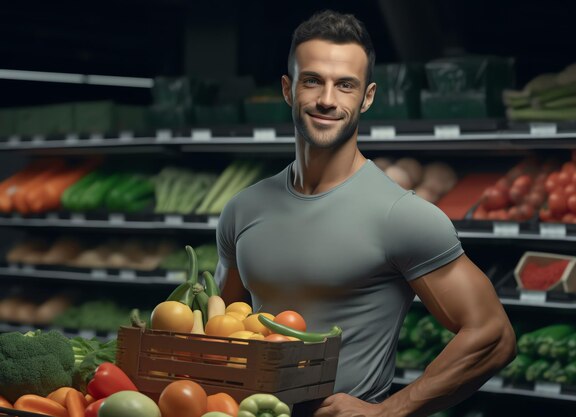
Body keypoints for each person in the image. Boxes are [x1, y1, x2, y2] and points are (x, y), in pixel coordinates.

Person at [214, 10, 516, 417]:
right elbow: (220, 332)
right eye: (313, 81)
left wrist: (387, 412)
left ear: (367, 97)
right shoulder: (242, 209)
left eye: (345, 85)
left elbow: (493, 336)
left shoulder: (400, 215)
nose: (326, 99)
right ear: (288, 89)